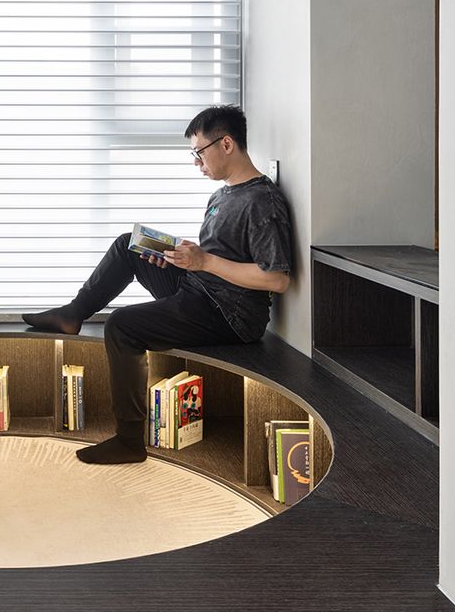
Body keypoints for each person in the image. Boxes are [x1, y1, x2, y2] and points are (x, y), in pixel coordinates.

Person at [22, 105, 292, 465]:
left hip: (229, 314)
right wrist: (181, 257)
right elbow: (216, 256)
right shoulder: (222, 195)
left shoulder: (262, 201)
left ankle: (129, 441)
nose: (196, 162)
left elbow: (277, 278)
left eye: (199, 152)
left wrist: (204, 261)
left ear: (226, 144)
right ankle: (73, 314)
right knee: (131, 244)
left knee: (121, 325)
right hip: (200, 288)